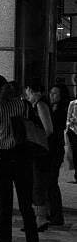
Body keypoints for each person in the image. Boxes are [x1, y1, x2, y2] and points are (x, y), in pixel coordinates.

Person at [0, 79, 41, 242]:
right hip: (21, 156)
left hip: (1, 157)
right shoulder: (24, 106)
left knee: (5, 204)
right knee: (26, 204)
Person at [24, 83, 53, 231]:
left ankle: (40, 219)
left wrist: (35, 136)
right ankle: (41, 217)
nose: (27, 95)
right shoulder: (36, 105)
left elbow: (48, 129)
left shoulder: (41, 105)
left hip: (40, 150)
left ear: (35, 91)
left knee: (38, 184)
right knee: (37, 183)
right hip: (38, 149)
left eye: (28, 92)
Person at [48, 84, 69, 226]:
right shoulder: (50, 109)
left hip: (55, 149)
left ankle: (57, 215)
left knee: (52, 182)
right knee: (49, 183)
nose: (52, 96)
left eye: (55, 93)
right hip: (50, 149)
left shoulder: (63, 110)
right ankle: (52, 213)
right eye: (51, 93)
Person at [66, 96, 77, 183]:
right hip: (73, 131)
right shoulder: (73, 103)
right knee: (75, 152)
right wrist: (69, 124)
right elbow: (68, 118)